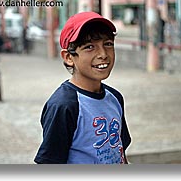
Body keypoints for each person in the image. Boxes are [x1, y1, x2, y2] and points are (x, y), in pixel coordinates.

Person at [34, 12, 132, 164]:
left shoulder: (115, 98)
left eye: (108, 44)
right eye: (89, 47)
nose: (103, 54)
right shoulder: (64, 105)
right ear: (69, 57)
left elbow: (120, 151)